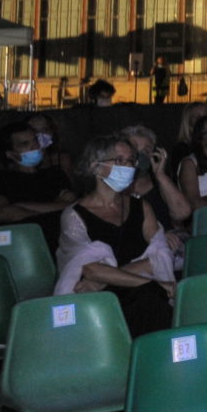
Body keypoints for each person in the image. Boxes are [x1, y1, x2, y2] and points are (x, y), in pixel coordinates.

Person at [55, 134, 176, 336]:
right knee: (150, 296)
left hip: (134, 289)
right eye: (119, 161)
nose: (128, 167)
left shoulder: (141, 207)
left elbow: (158, 256)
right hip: (99, 296)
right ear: (95, 167)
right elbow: (90, 271)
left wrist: (108, 277)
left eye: (130, 161)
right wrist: (151, 282)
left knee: (150, 298)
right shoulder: (75, 216)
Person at [0, 116, 76, 251]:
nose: (35, 146)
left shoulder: (55, 174)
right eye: (25, 144)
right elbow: (2, 213)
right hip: (20, 244)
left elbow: (72, 207)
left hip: (60, 242)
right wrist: (56, 206)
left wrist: (21, 206)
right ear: (10, 154)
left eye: (35, 140)